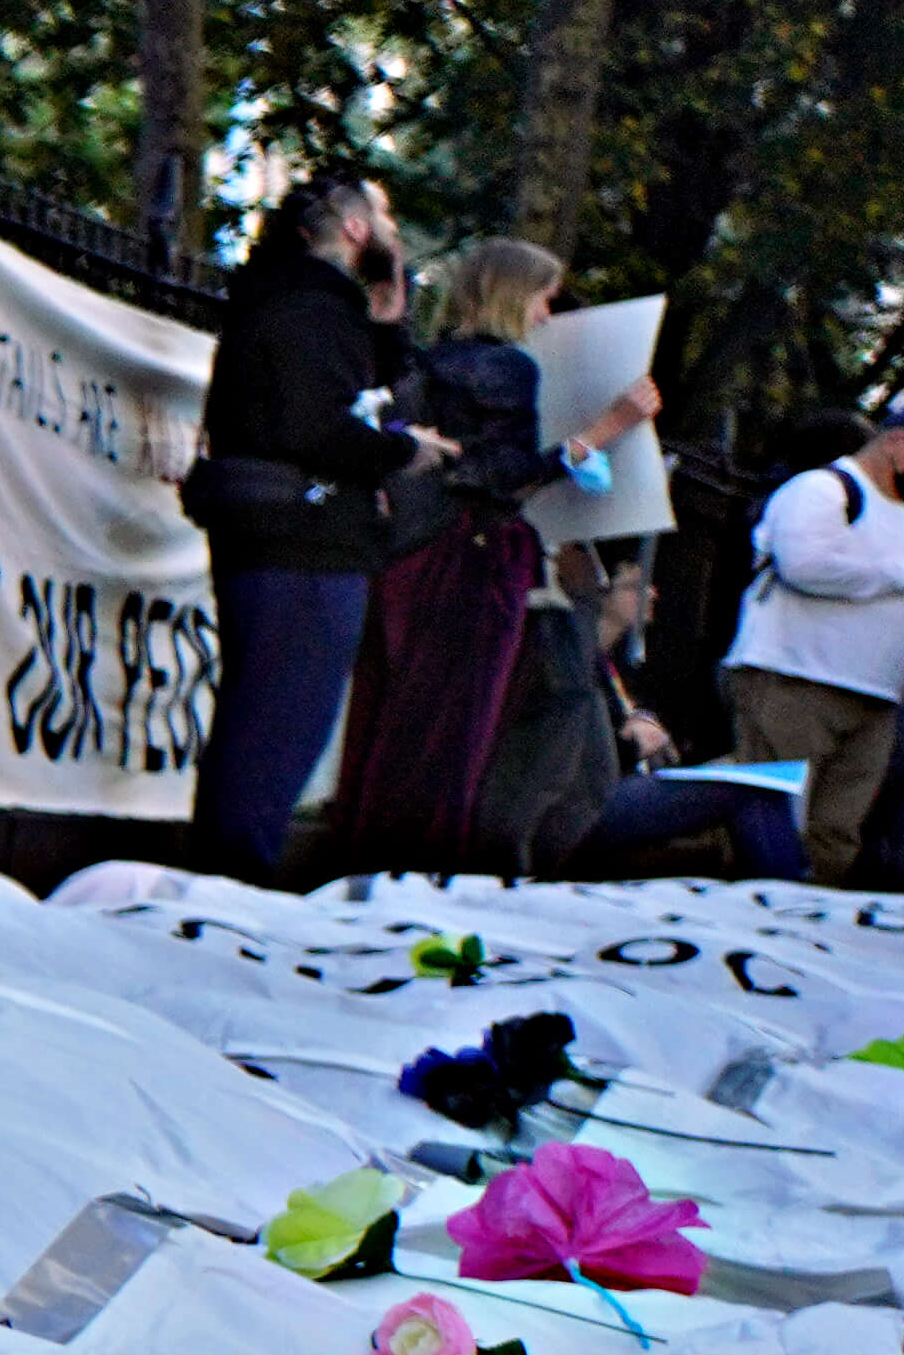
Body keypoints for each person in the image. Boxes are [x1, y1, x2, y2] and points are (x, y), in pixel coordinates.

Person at [314, 235, 659, 876]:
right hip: (472, 560)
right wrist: (604, 432)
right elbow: (500, 475)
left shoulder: (434, 361)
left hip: (413, 556)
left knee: (397, 715)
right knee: (453, 726)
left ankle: (368, 863)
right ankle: (418, 874)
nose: (546, 316)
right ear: (515, 294)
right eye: (543, 300)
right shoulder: (508, 367)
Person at [186, 168, 414, 874]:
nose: (394, 235)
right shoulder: (313, 311)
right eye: (387, 220)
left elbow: (358, 388)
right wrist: (407, 450)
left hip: (277, 535)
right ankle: (235, 883)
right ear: (354, 230)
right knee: (279, 728)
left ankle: (226, 875)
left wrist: (390, 312)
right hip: (307, 543)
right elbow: (318, 427)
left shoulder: (284, 303)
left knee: (258, 722)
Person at [723, 394, 904, 886]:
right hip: (797, 679)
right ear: (898, 441)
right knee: (772, 824)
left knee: (837, 832)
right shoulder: (823, 490)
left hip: (876, 697)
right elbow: (806, 567)